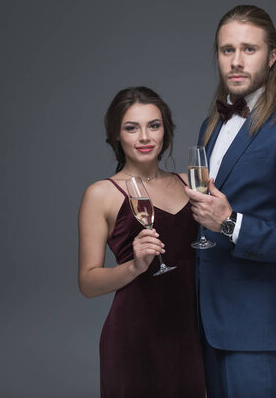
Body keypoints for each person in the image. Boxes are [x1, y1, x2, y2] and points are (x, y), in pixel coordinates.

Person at [184, 5, 276, 397]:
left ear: (272, 56)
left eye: (248, 49)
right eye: (225, 49)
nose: (235, 61)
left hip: (255, 329)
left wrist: (232, 223)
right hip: (202, 322)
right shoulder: (210, 125)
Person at [78, 86, 205, 397]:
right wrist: (134, 266)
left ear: (166, 131)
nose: (145, 137)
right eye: (131, 128)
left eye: (154, 125)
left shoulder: (191, 183)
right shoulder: (101, 194)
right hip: (134, 338)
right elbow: (88, 283)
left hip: (192, 333)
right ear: (116, 136)